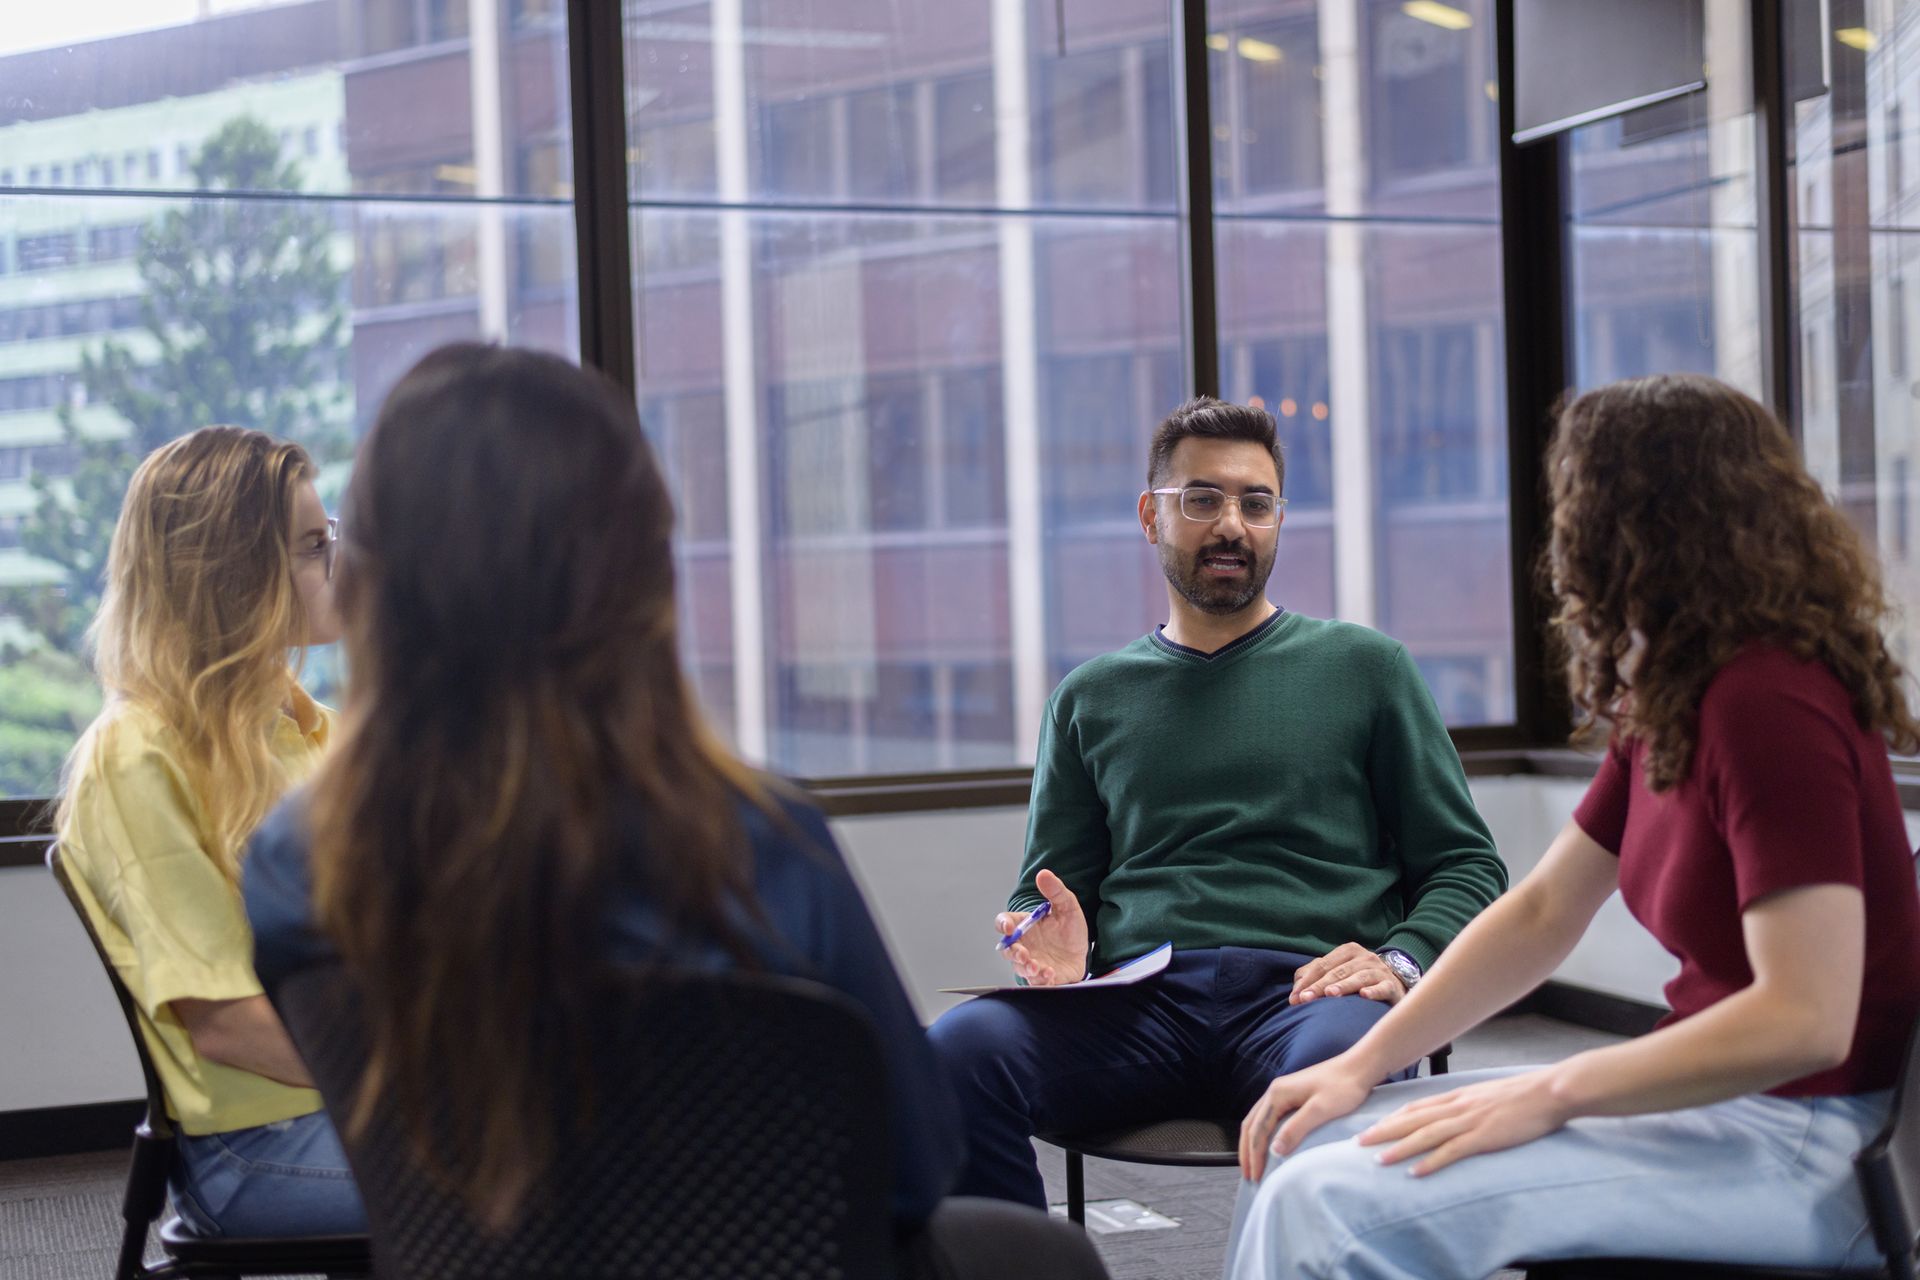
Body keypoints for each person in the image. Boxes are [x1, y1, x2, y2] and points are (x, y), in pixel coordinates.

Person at [239, 343, 1107, 1279]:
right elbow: (914, 1166)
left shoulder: (297, 862)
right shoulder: (758, 847)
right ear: (643, 582)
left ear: (367, 587)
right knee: (1043, 1256)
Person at [1228, 372, 1920, 1279]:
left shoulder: (1769, 701)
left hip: (1812, 1144)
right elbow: (1544, 909)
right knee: (1300, 1136)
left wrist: (1554, 1092)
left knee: (1330, 1208)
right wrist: (1364, 1062)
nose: (1562, 537)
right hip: (1721, 1107)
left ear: (1630, 522)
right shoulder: (1675, 694)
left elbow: (1807, 1021)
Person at [927, 396, 1509, 1208]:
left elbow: (1466, 865)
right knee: (955, 1052)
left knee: (1335, 1078)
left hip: (1310, 997)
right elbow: (1044, 890)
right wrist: (1046, 943)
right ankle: (1016, 1262)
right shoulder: (1089, 699)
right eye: (1202, 500)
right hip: (1139, 1004)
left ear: (1278, 520)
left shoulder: (1366, 669)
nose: (1232, 525)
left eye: (1256, 503)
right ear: (1151, 516)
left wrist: (1401, 960)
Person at [56, 426, 363, 1238]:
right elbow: (224, 1022)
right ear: (233, 575)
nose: (337, 561)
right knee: (567, 1186)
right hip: (259, 1145)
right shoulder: (136, 756)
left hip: (345, 1101)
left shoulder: (308, 728)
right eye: (312, 546)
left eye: (328, 535)